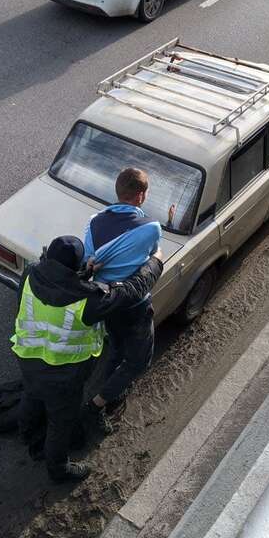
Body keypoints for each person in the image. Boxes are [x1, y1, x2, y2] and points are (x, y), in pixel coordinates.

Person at [13, 235, 163, 483]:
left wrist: (81, 276)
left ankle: (27, 435)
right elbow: (131, 291)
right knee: (61, 423)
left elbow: (54, 290)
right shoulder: (89, 300)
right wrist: (155, 262)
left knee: (31, 396)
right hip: (63, 375)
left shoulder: (30, 274)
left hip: (28, 357)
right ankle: (58, 469)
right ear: (76, 266)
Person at [81, 168, 174, 433]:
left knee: (118, 347)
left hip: (106, 303)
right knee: (139, 361)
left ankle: (106, 386)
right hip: (134, 305)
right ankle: (97, 405)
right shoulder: (151, 228)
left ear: (117, 190)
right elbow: (151, 253)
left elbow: (90, 257)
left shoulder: (94, 221)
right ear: (141, 196)